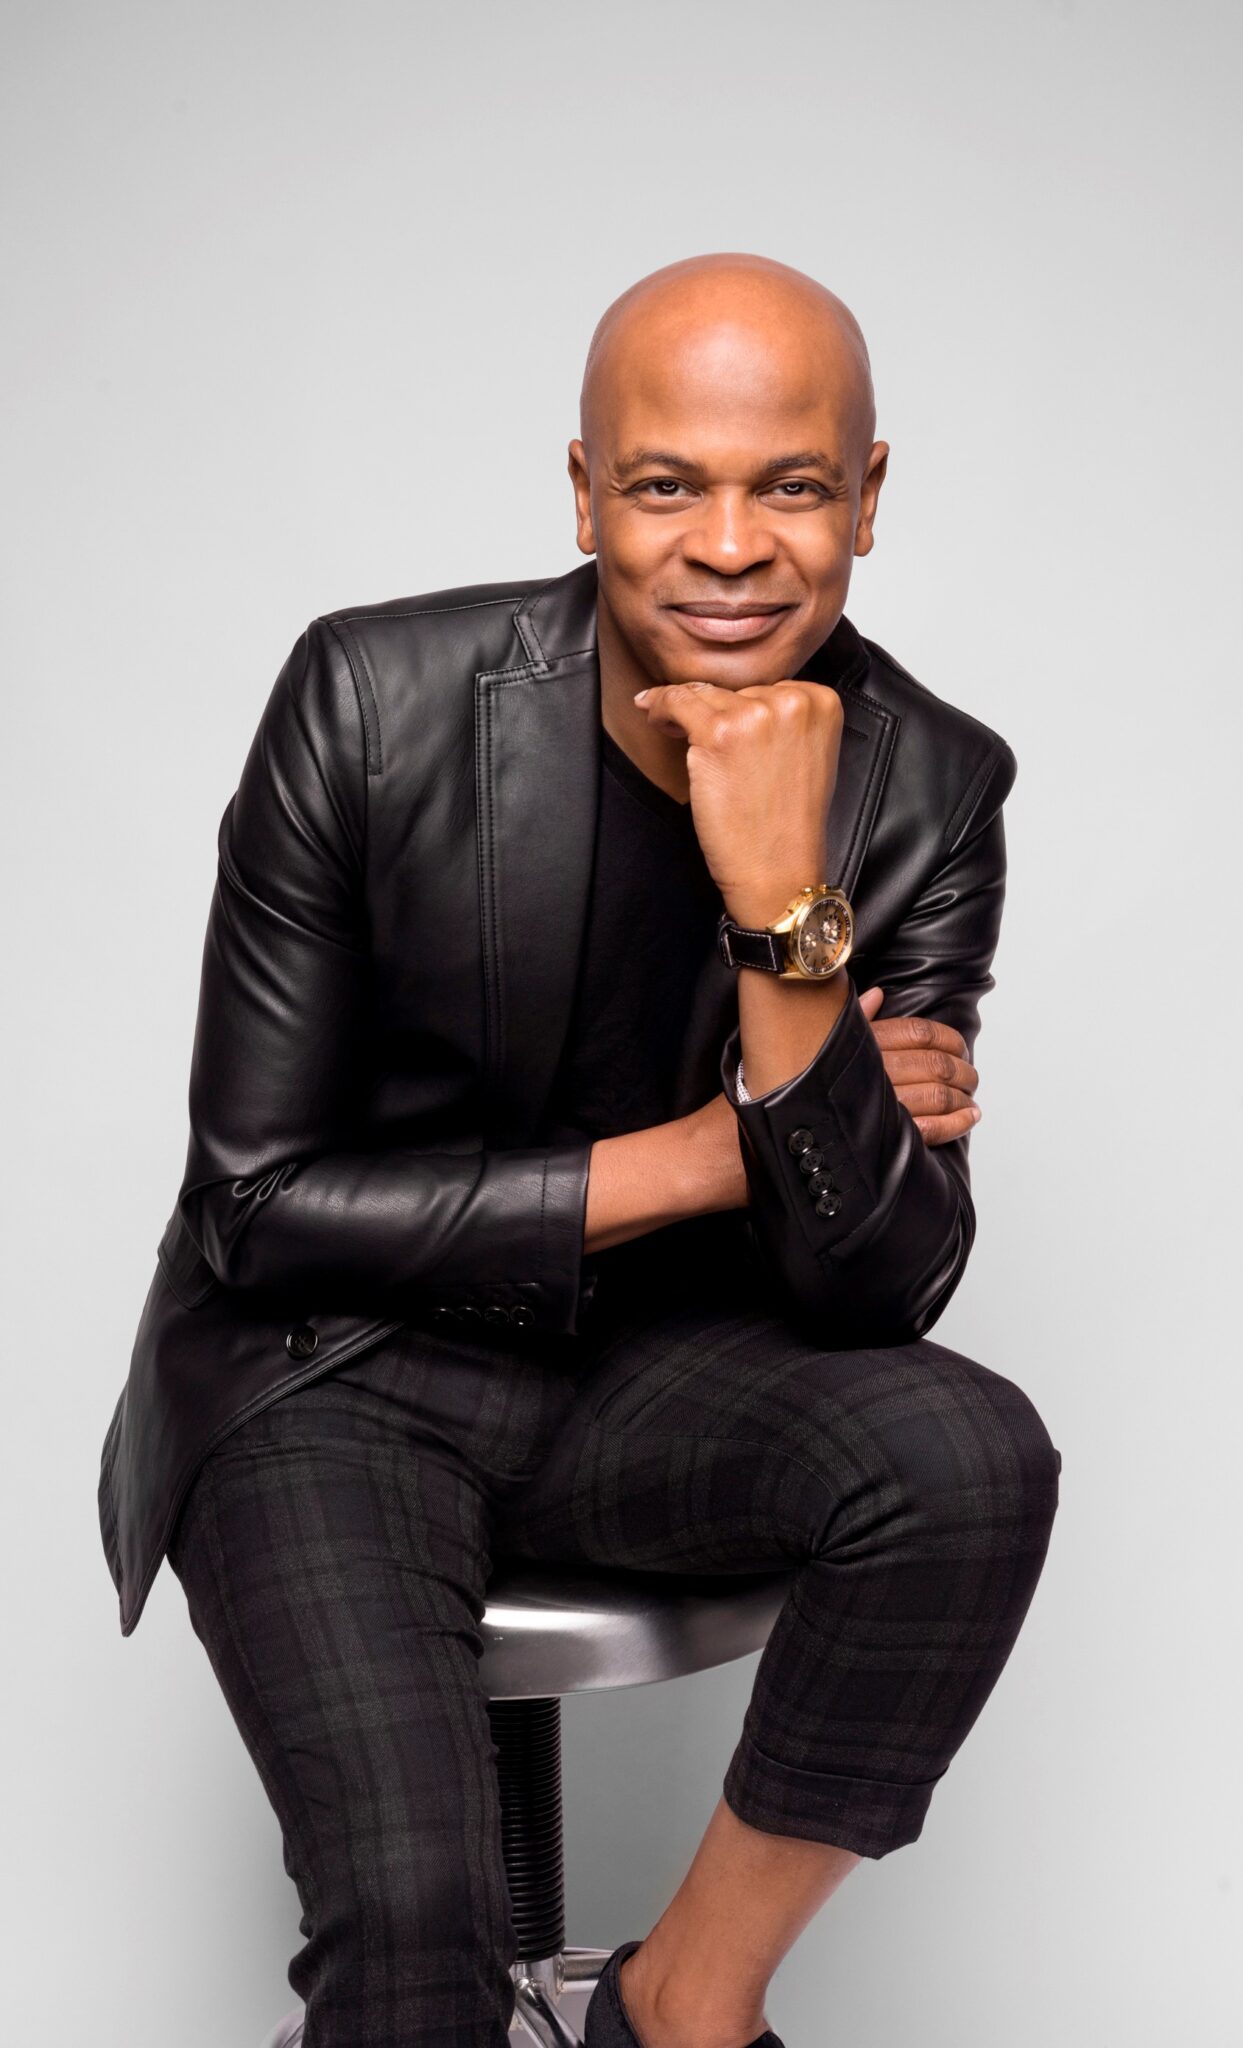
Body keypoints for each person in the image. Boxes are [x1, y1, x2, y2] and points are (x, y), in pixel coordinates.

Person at [96, 251, 1061, 2048]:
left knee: (969, 1458)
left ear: (866, 496)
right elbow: (257, 1208)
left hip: (650, 1373)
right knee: (417, 1930)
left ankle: (681, 2005)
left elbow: (880, 1285)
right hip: (328, 1371)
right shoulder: (371, 698)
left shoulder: (933, 785)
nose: (730, 547)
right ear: (584, 490)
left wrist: (783, 904)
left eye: (790, 486)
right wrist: (716, 1151)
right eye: (666, 484)